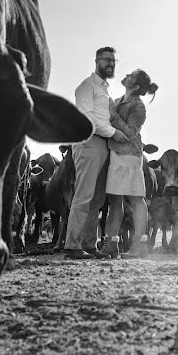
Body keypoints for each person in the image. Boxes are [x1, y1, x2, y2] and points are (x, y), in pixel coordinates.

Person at [64, 47, 130, 260]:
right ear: (97, 61)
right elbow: (86, 118)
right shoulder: (86, 86)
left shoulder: (106, 90)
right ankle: (72, 246)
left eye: (114, 60)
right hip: (89, 141)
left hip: (105, 145)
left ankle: (89, 245)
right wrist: (114, 132)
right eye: (107, 59)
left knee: (98, 198)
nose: (111, 63)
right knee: (84, 194)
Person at [100, 69, 158, 259]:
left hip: (130, 155)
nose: (126, 74)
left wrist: (113, 114)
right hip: (116, 154)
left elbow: (130, 134)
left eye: (131, 75)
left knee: (136, 198)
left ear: (136, 86)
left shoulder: (138, 107)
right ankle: (112, 245)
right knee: (115, 201)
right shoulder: (118, 100)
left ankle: (140, 245)